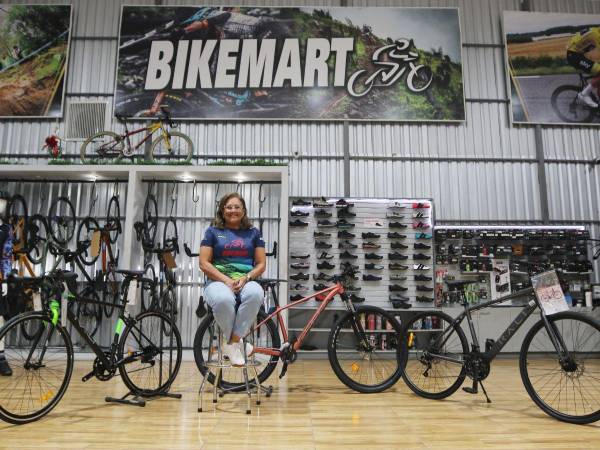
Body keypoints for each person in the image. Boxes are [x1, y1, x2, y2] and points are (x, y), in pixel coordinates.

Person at [199, 192, 266, 366]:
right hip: (218, 282)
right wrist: (226, 281)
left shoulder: (253, 233)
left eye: (237, 207)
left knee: (256, 294)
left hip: (246, 280)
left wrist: (246, 278)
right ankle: (239, 345)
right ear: (222, 210)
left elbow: (261, 264)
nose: (233, 210)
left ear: (243, 211)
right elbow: (204, 263)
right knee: (223, 299)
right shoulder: (212, 231)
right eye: (228, 207)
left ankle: (232, 343)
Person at [567, 27, 600, 108]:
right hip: (574, 57)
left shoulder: (596, 30)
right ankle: (584, 94)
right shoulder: (596, 35)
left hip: (578, 54)